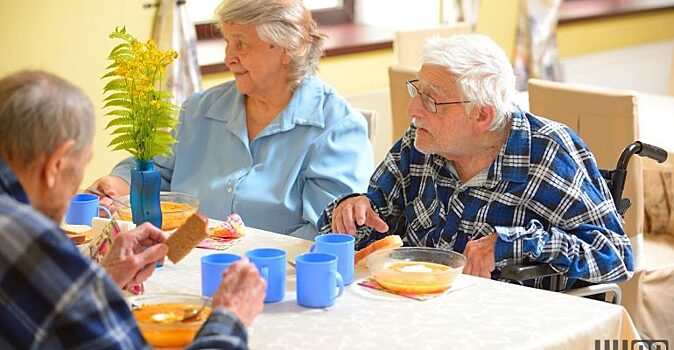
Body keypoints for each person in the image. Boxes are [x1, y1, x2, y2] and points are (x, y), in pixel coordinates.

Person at [319, 34, 634, 291]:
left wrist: (512, 243)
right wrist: (350, 211)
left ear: (482, 114)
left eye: (431, 100)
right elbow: (373, 221)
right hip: (414, 311)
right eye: (417, 91)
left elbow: (616, 255)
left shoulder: (546, 152)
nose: (413, 109)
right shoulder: (421, 142)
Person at [0, 70, 266, 349]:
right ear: (56, 165)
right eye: (82, 165)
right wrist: (229, 317)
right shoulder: (30, 242)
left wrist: (101, 280)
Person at [90, 0, 373, 239]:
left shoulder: (337, 127)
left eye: (242, 45)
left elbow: (325, 232)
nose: (229, 58)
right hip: (185, 252)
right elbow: (157, 169)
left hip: (276, 272)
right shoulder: (200, 108)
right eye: (227, 42)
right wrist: (121, 181)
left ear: (290, 48)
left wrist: (244, 260)